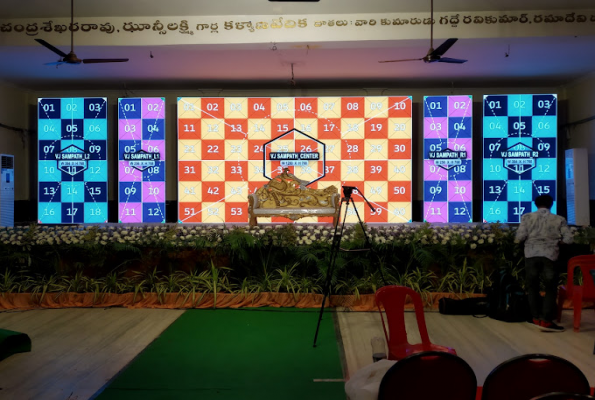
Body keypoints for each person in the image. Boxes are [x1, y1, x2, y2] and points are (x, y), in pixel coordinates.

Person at [515, 194, 573, 332]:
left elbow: (519, 237)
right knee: (550, 288)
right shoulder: (559, 219)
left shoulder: (527, 217)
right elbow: (569, 239)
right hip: (550, 255)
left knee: (532, 287)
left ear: (536, 204)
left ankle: (535, 318)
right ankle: (546, 321)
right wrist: (557, 242)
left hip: (531, 254)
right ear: (551, 204)